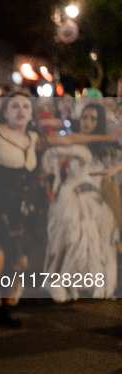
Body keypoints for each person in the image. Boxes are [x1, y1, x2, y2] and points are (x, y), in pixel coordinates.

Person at [0, 95, 120, 348]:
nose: (21, 110)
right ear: (5, 112)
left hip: (17, 210)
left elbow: (69, 139)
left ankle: (3, 309)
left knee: (19, 263)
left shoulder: (34, 138)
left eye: (26, 106)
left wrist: (104, 137)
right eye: (14, 105)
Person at [43, 102, 121, 301]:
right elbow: (51, 148)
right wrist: (56, 182)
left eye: (93, 118)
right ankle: (54, 279)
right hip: (71, 195)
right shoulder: (73, 140)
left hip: (96, 199)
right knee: (68, 236)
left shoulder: (107, 148)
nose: (88, 122)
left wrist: (116, 169)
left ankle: (81, 282)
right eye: (85, 117)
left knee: (96, 242)